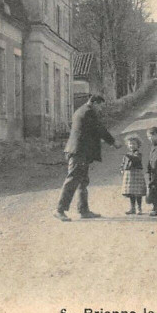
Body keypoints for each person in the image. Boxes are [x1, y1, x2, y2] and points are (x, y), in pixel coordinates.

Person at [55, 94, 121, 222]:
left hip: (81, 152)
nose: (100, 109)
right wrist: (113, 142)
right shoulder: (88, 112)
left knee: (83, 181)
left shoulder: (80, 110)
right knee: (73, 179)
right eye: (100, 106)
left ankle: (83, 210)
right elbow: (99, 129)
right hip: (78, 152)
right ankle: (59, 209)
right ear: (94, 102)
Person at [121, 135, 146, 215]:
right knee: (131, 192)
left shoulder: (137, 153)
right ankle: (132, 208)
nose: (132, 145)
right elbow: (123, 163)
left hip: (136, 173)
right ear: (127, 145)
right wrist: (122, 168)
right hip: (129, 174)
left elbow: (136, 159)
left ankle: (139, 208)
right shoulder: (127, 154)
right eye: (130, 144)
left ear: (138, 145)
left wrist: (128, 156)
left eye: (134, 144)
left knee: (138, 192)